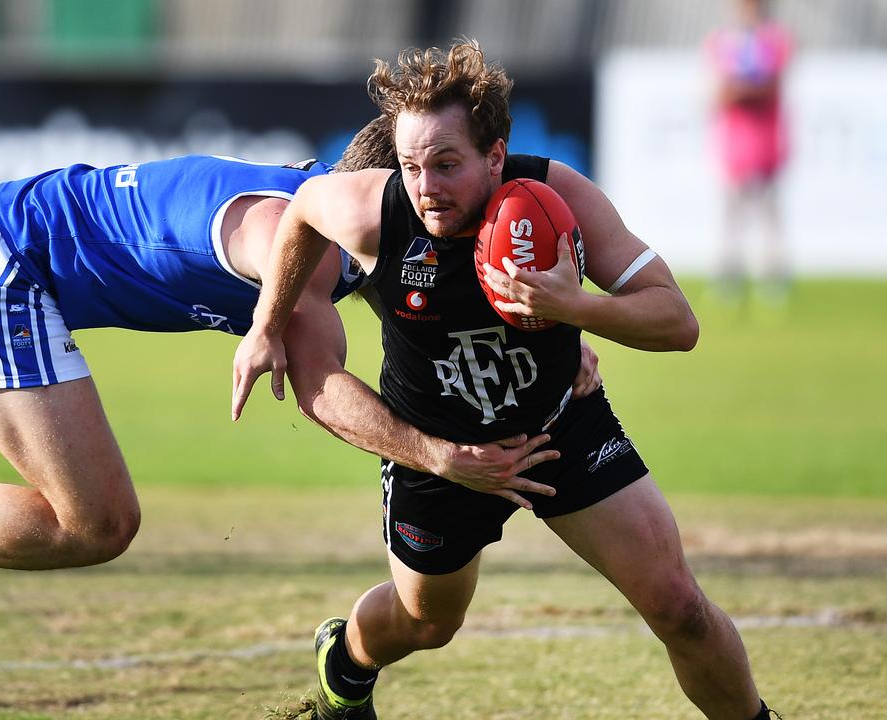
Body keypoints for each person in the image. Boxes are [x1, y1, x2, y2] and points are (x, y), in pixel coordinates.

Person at [0, 122, 602, 656]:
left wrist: (555, 344)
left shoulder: (335, 220)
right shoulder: (289, 248)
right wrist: (442, 457)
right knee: (96, 524)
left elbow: (418, 304)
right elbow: (321, 388)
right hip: (1, 268)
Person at [232, 40, 775, 720]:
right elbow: (305, 204)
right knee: (426, 623)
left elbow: (679, 322)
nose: (426, 185)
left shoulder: (559, 197)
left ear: (495, 155)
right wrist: (264, 323)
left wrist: (573, 309)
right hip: (435, 450)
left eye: (447, 164)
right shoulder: (379, 210)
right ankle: (346, 662)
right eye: (411, 165)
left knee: (680, 607)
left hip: (557, 424)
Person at [706, 0, 792, 303]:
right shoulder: (724, 41)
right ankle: (728, 281)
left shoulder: (774, 40)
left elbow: (770, 87)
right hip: (735, 146)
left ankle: (773, 282)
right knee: (731, 218)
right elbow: (717, 94)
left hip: (766, 144)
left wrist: (741, 89)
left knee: (769, 217)